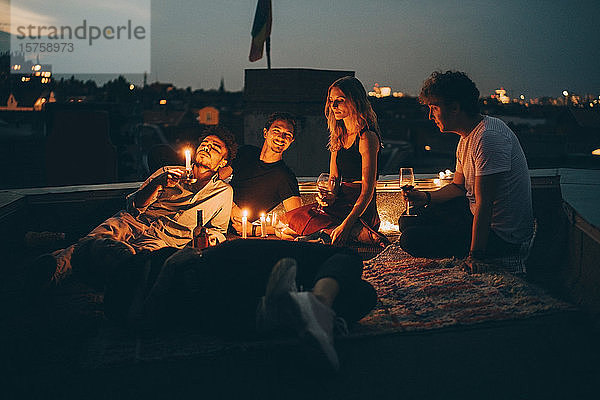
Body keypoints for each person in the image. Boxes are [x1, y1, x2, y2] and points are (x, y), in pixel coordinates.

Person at [104, 239, 378, 371]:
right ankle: (302, 308)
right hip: (208, 292)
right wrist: (167, 269)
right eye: (99, 249)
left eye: (107, 240)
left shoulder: (142, 254)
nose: (109, 243)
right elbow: (144, 323)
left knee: (362, 287)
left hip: (221, 260)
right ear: (95, 273)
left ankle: (313, 304)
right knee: (358, 293)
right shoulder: (118, 292)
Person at [28, 126, 238, 290]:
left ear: (222, 162)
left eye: (215, 148)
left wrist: (206, 238)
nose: (207, 148)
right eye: (205, 144)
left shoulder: (222, 193)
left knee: (137, 262)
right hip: (133, 221)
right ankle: (51, 272)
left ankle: (97, 272)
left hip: (164, 239)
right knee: (94, 239)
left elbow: (218, 231)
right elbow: (133, 206)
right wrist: (158, 184)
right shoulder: (167, 172)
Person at [400, 71, 534, 274]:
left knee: (411, 239)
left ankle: (483, 252)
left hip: (500, 235)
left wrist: (475, 255)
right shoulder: (466, 137)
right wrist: (425, 197)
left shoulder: (488, 137)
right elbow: (458, 187)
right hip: (474, 214)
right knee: (407, 221)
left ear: (455, 108)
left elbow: (485, 204)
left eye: (434, 108)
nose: (430, 116)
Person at [290, 76, 384, 246]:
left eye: (340, 100)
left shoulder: (366, 137)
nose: (333, 106)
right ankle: (348, 233)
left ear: (355, 101)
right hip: (340, 202)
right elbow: (333, 178)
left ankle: (351, 229)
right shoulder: (339, 135)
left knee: (297, 232)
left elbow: (368, 190)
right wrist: (330, 196)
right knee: (286, 225)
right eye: (331, 101)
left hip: (359, 205)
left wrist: (346, 225)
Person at [224, 112, 302, 235]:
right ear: (265, 133)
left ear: (291, 141)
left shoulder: (284, 177)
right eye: (276, 131)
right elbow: (214, 179)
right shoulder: (246, 153)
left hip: (235, 233)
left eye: (287, 135)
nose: (281, 137)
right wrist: (232, 206)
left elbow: (298, 223)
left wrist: (254, 230)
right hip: (213, 212)